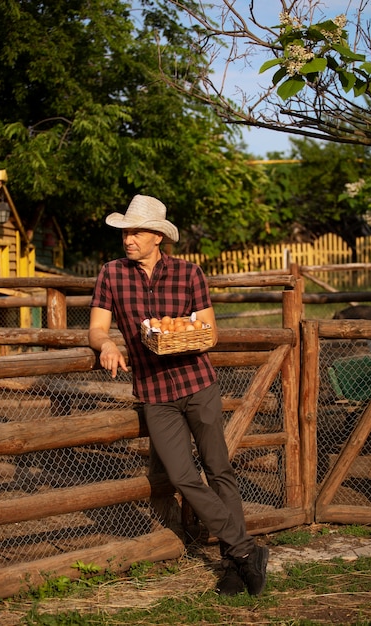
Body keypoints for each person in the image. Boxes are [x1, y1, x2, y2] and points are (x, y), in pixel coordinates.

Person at [88, 194, 269, 596]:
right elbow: (97, 327)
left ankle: (232, 565)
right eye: (125, 231)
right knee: (183, 477)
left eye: (135, 231)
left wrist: (180, 336)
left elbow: (210, 332)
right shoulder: (110, 274)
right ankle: (245, 550)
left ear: (157, 237)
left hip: (197, 385)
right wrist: (107, 344)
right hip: (154, 392)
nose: (128, 238)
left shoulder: (189, 273)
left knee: (219, 471)